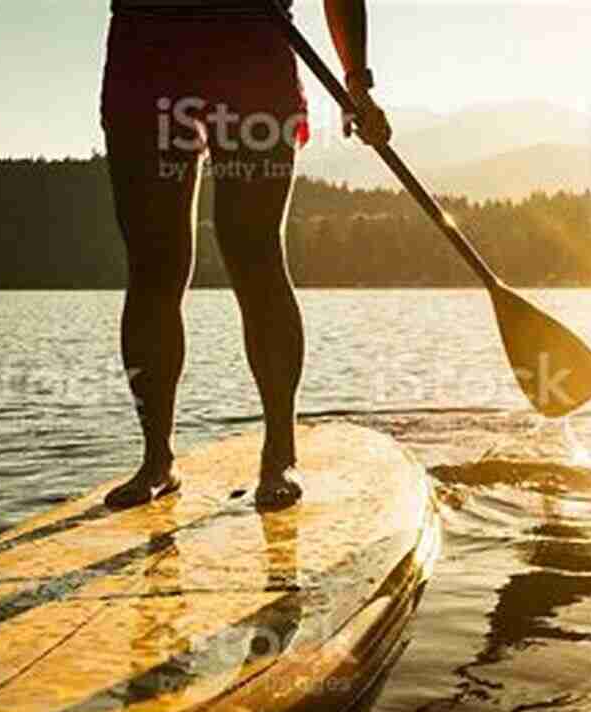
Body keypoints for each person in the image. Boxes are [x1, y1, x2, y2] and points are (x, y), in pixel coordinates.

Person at [99, 0, 391, 511]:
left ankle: (280, 451)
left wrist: (356, 82)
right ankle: (156, 461)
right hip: (145, 52)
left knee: (253, 251)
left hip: (250, 50)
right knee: (153, 264)